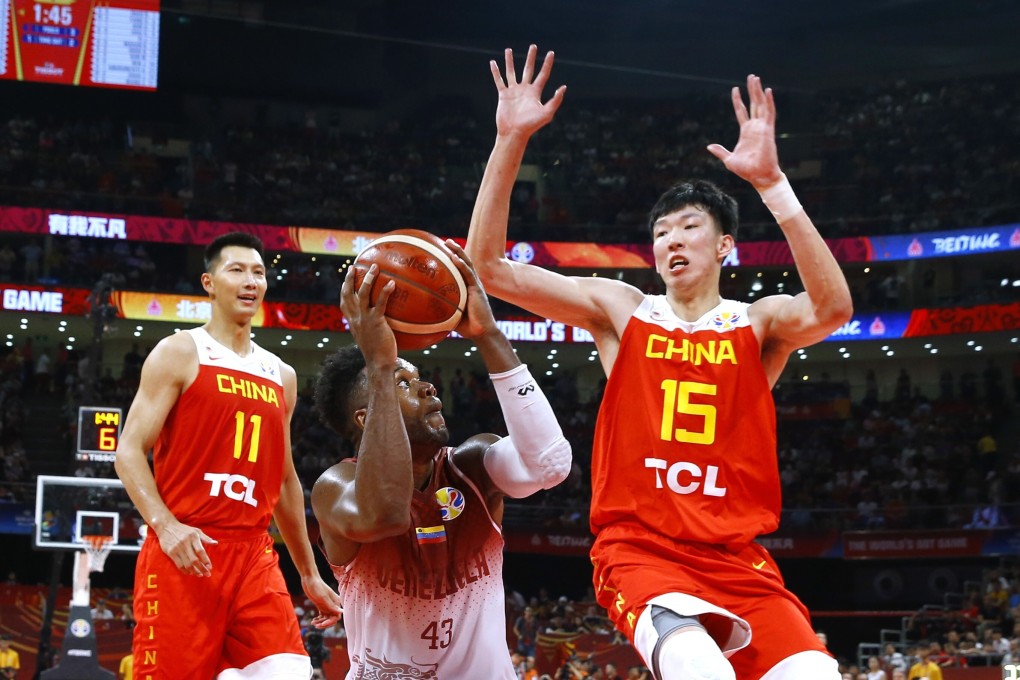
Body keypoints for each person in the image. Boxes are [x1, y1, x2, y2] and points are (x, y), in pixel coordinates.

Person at [466, 46, 853, 679]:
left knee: (815, 674)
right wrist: (510, 139)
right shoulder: (624, 310)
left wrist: (772, 186)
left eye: (688, 227)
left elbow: (834, 308)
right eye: (661, 232)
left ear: (726, 244)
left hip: (736, 557)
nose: (671, 239)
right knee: (702, 672)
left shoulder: (759, 322)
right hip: (642, 549)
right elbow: (489, 271)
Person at [311, 241, 571, 679]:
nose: (429, 387)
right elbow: (386, 514)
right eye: (404, 381)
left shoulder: (472, 465)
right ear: (367, 413)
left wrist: (488, 333)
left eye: (420, 377)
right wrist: (379, 364)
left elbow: (550, 463)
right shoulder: (336, 487)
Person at [115, 232, 342, 678]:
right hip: (186, 551)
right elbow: (128, 451)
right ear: (209, 282)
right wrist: (166, 525)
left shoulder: (282, 374)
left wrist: (310, 576)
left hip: (253, 554)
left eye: (258, 272)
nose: (250, 280)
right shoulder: (180, 351)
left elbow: (284, 481)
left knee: (288, 672)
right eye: (236, 270)